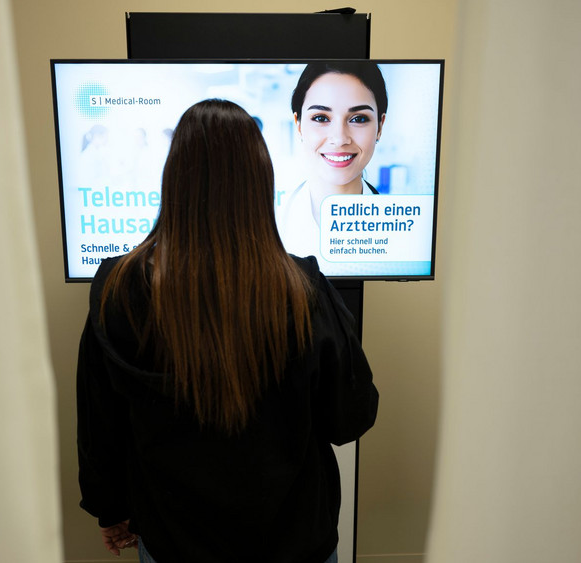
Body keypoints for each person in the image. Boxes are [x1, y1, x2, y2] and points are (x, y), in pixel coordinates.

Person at [76, 99, 378, 563]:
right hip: (293, 541)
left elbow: (100, 422)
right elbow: (350, 418)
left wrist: (110, 508)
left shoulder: (119, 286)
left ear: (174, 179)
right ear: (260, 182)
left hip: (174, 540)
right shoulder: (303, 287)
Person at [279, 62, 388, 260]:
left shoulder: (402, 232)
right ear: (299, 125)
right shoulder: (273, 222)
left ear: (380, 127)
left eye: (358, 119)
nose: (339, 139)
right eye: (321, 118)